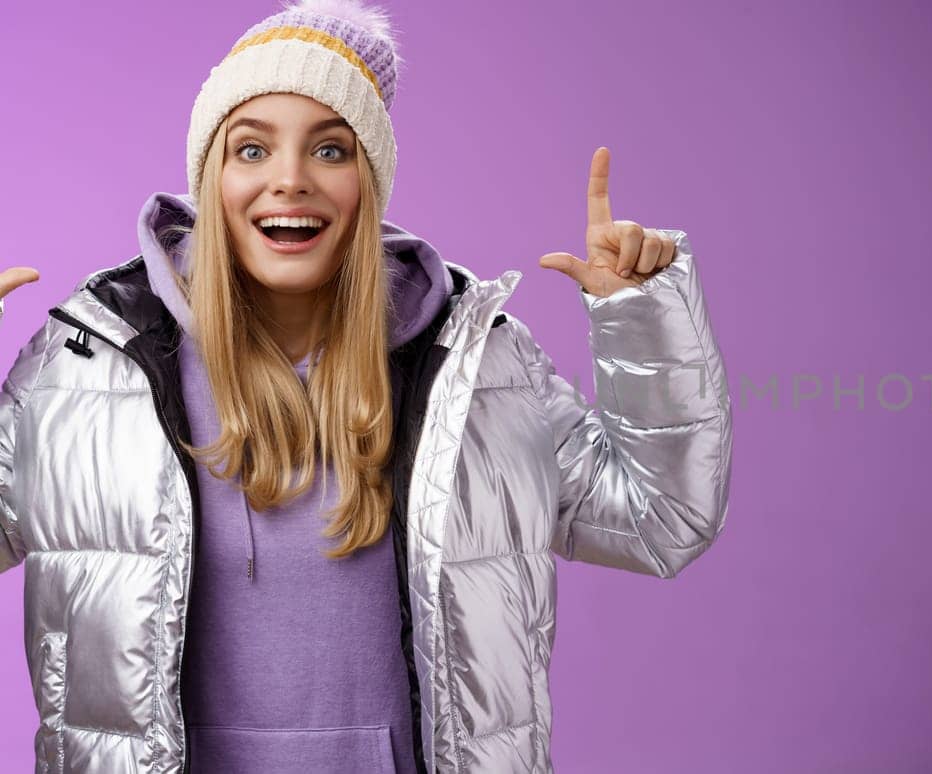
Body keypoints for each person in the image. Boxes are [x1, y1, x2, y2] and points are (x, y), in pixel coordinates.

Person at [0, 0, 733, 771]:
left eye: (329, 150)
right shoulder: (87, 365)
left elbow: (661, 520)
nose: (289, 180)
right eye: (251, 150)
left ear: (370, 183)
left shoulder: (476, 368)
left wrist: (639, 318)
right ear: (210, 179)